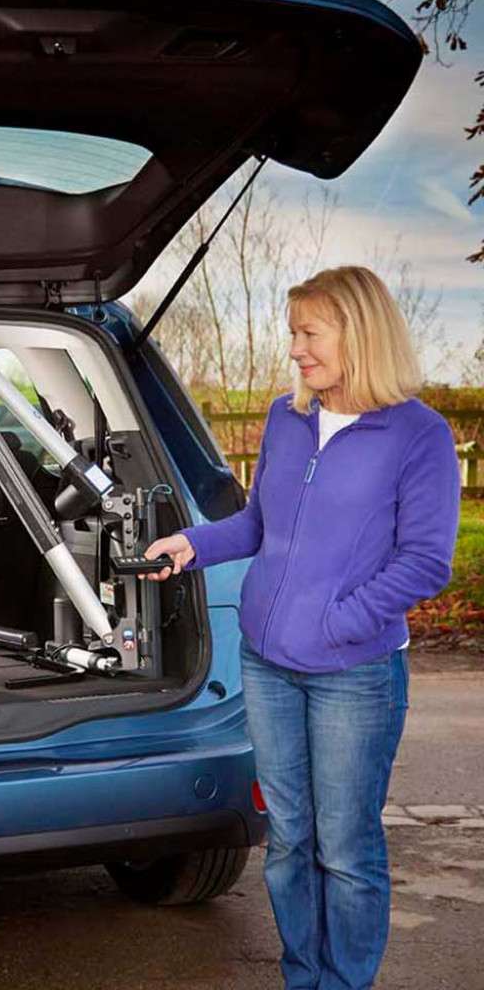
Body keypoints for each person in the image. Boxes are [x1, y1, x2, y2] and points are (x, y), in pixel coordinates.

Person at [142, 265, 461, 990]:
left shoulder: (418, 434)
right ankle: (302, 977)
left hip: (354, 673)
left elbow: (425, 562)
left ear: (359, 333)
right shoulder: (289, 417)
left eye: (309, 332)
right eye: (293, 333)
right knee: (289, 841)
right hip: (269, 663)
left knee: (345, 847)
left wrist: (337, 621)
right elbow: (261, 522)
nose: (296, 349)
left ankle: (345, 983)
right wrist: (193, 543)